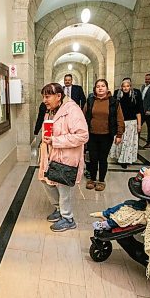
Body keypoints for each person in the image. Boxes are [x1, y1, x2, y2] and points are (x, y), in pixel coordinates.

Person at [38, 83, 89, 232]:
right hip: (50, 154)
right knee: (46, 181)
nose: (44, 100)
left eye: (47, 97)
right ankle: (59, 209)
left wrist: (56, 141)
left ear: (58, 96)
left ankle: (68, 218)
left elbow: (82, 135)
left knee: (63, 188)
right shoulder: (50, 111)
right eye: (43, 97)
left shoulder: (72, 110)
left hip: (66, 156)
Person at [83, 79, 125, 191]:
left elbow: (119, 119)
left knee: (102, 158)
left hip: (107, 135)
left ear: (107, 88)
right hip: (91, 135)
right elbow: (84, 116)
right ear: (95, 89)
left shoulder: (114, 102)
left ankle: (101, 180)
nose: (100, 88)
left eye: (102, 86)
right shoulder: (90, 101)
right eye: (98, 86)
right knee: (92, 158)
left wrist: (119, 134)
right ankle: (92, 179)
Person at [109, 79, 143, 168]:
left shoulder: (135, 96)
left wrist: (139, 125)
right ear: (121, 87)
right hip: (120, 122)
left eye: (127, 86)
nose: (125, 88)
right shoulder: (118, 96)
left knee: (128, 143)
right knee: (119, 141)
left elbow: (138, 112)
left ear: (130, 87)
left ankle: (125, 160)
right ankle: (119, 156)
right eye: (124, 86)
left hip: (131, 123)